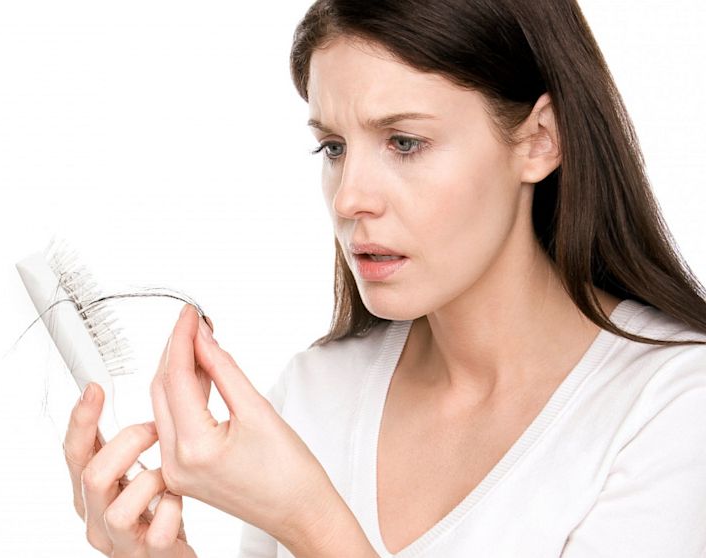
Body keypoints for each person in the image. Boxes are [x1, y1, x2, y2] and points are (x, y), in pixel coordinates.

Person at [62, 0, 706, 556]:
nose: (349, 198)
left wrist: (310, 521)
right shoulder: (314, 394)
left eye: (404, 142)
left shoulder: (670, 406)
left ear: (539, 140)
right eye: (334, 148)